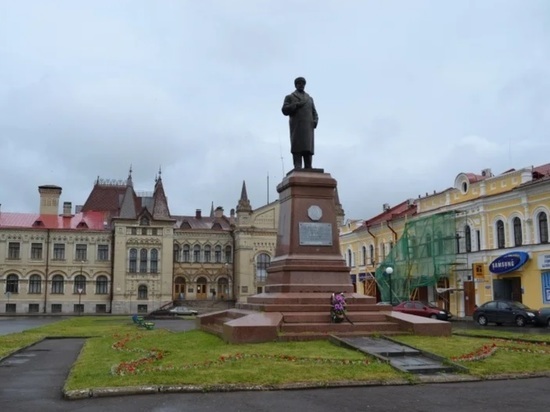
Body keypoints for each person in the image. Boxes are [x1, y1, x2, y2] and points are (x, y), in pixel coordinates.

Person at [281, 77, 319, 170]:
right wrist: (296, 105)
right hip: (296, 126)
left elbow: (314, 112)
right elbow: (284, 110)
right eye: (299, 83)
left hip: (308, 127)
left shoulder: (310, 99)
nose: (301, 85)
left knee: (308, 147)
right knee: (297, 146)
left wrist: (315, 121)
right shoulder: (290, 97)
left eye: (303, 83)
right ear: (296, 85)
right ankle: (297, 165)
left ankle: (308, 166)